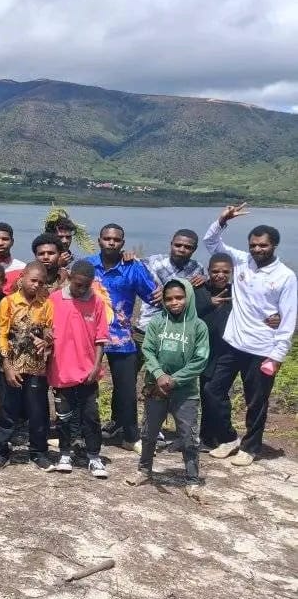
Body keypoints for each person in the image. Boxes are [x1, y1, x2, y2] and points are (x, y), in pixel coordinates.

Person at [203, 203, 297, 465]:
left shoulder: (285, 277)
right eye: (253, 245)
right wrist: (222, 220)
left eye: (263, 245)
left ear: (274, 245)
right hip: (233, 344)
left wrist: (277, 355)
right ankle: (229, 438)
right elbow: (211, 243)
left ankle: (250, 447)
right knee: (212, 390)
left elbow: (288, 318)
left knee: (256, 402)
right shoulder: (242, 261)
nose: (257, 249)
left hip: (263, 349)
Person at [127, 279, 209, 498]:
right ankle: (144, 471)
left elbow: (200, 360)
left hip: (185, 392)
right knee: (149, 433)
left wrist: (174, 380)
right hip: (156, 388)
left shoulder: (198, 326)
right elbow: (148, 349)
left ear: (188, 297)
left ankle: (192, 480)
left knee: (189, 437)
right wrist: (159, 375)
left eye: (179, 297)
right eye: (169, 298)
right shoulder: (157, 322)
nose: (174, 302)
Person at [86, 224, 158, 452]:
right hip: (88, 336)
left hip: (121, 337)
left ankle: (130, 436)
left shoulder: (132, 268)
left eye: (116, 240)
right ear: (99, 240)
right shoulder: (87, 265)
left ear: (122, 243)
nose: (111, 242)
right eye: (107, 238)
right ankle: (79, 433)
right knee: (83, 386)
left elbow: (153, 296)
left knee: (126, 389)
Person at [0, 262, 53, 471]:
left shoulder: (46, 305)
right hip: (11, 367)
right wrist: (7, 365)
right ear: (22, 277)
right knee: (7, 410)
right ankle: (0, 452)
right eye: (33, 280)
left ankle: (39, 452)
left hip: (36, 367)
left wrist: (47, 340)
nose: (36, 285)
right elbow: (1, 335)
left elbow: (50, 331)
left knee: (37, 411)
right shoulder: (8, 303)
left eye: (41, 282)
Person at [48, 260, 110, 477]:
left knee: (91, 415)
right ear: (70, 278)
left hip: (87, 371)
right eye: (77, 284)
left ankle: (94, 456)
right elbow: (45, 328)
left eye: (86, 285)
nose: (81, 289)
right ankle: (65, 453)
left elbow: (100, 339)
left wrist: (96, 365)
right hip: (61, 369)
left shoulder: (97, 302)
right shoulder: (55, 299)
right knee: (63, 415)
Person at [194, 253, 236, 449]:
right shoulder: (199, 290)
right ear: (208, 271)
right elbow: (188, 313)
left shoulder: (237, 292)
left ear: (231, 272)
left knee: (214, 391)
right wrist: (209, 303)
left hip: (228, 352)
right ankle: (207, 437)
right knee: (206, 393)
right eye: (215, 271)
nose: (220, 275)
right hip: (203, 350)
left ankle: (228, 436)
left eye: (225, 271)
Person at [138, 230, 207, 333]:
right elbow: (129, 266)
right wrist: (125, 255)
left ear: (194, 249)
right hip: (148, 325)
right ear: (171, 244)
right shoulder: (153, 261)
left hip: (178, 329)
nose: (182, 249)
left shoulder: (197, 268)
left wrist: (206, 278)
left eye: (187, 247)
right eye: (178, 245)